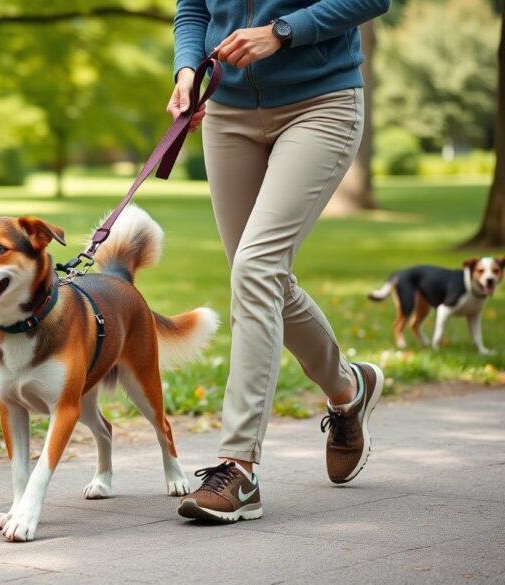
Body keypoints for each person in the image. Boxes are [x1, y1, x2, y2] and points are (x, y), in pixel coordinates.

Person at [166, 0, 392, 523]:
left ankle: (238, 468)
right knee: (258, 275)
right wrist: (186, 70)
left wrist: (282, 32)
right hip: (227, 109)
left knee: (255, 270)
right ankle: (348, 389)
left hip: (321, 102)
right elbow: (192, 9)